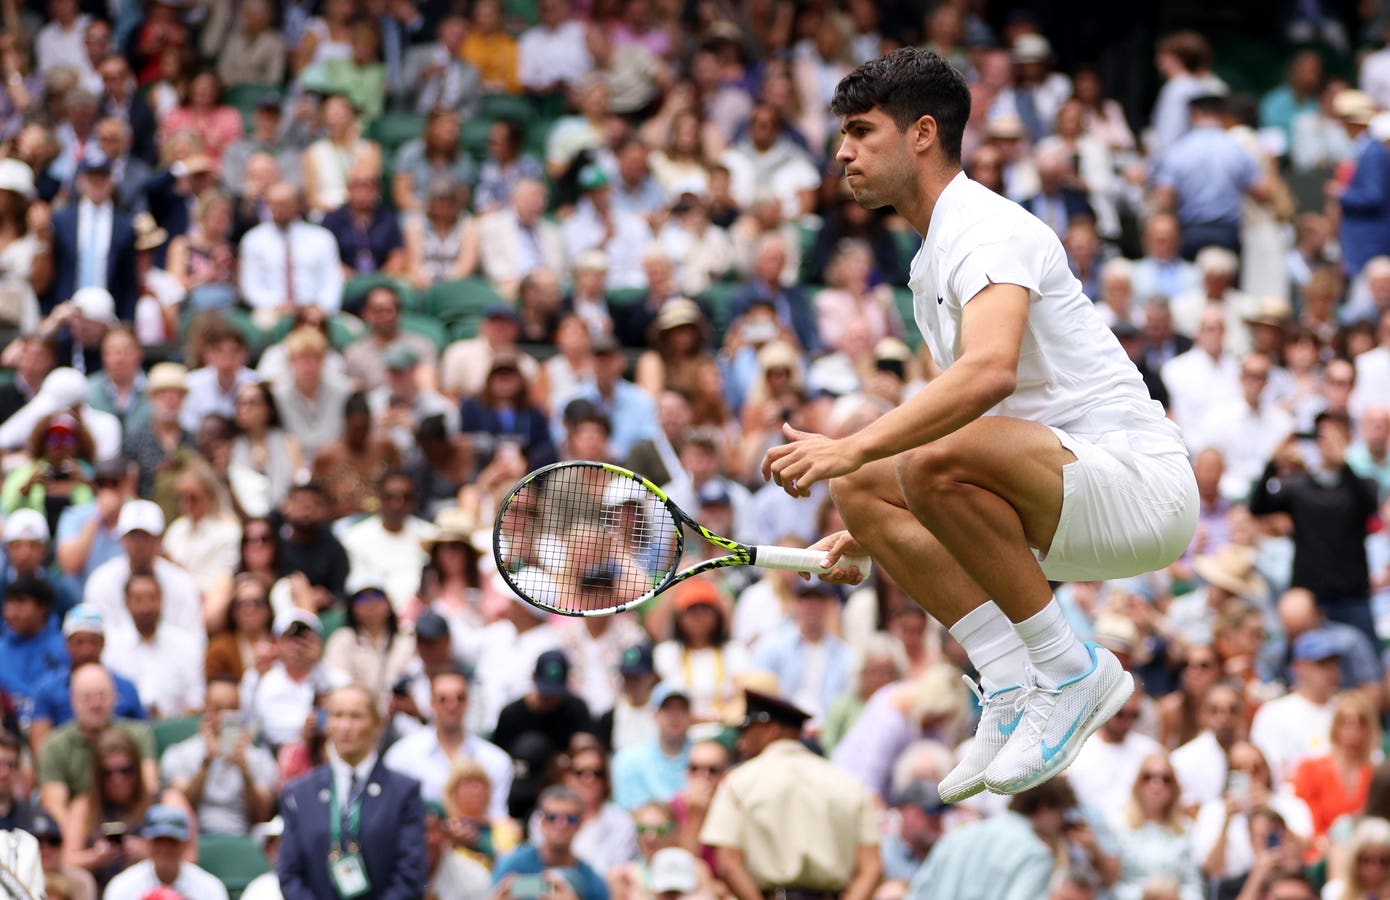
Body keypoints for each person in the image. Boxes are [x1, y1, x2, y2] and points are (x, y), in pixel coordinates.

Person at [759, 48, 1198, 802]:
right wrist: (869, 518)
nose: (842, 151)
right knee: (865, 484)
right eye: (843, 135)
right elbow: (966, 420)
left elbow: (989, 373)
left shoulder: (986, 229)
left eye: (862, 132)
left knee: (897, 459)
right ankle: (1007, 684)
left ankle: (1070, 673)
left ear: (922, 133)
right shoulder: (931, 259)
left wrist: (852, 443)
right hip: (1060, 498)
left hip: (1139, 488)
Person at [701, 689, 880, 900]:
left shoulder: (738, 782)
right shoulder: (848, 783)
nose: (741, 741)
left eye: (748, 730)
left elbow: (728, 863)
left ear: (772, 731)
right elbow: (871, 867)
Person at [277, 683, 427, 899]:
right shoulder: (299, 793)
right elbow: (289, 874)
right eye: (338, 715)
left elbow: (410, 875)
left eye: (356, 716)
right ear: (327, 723)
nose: (346, 726)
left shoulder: (403, 792)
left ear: (377, 724)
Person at [382, 666, 513, 815]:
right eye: (443, 699)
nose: (452, 706)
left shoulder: (495, 760)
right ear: (431, 702)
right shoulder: (401, 756)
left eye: (460, 698)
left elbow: (499, 821)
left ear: (469, 702)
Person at [160, 676, 277, 836]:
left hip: (244, 838)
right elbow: (178, 810)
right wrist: (206, 762)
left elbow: (263, 815)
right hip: (194, 838)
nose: (223, 717)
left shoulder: (258, 758)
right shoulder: (180, 754)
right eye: (217, 709)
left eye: (231, 710)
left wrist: (245, 772)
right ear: (205, 710)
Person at [28, 605, 144, 754]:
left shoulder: (126, 687)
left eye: (93, 642)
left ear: (103, 643)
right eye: (79, 642)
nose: (86, 650)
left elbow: (142, 739)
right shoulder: (47, 690)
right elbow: (41, 748)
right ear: (67, 644)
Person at [1110, 753, 1203, 900]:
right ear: (1137, 784)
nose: (1156, 785)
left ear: (1175, 787)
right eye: (1148, 777)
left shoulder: (1186, 829)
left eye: (1165, 779)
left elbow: (1194, 886)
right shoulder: (1118, 825)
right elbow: (1110, 884)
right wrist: (1145, 895)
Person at [492, 785, 609, 900]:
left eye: (571, 818)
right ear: (541, 821)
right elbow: (501, 891)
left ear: (580, 823)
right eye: (552, 817)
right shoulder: (514, 864)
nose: (561, 825)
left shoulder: (591, 881)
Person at [101, 805, 227, 900]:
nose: (165, 848)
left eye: (172, 841)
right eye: (159, 841)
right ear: (147, 842)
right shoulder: (122, 886)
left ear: (184, 843)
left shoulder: (210, 887)